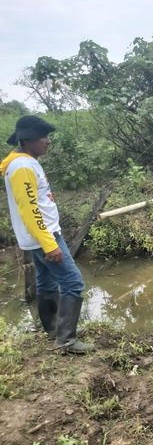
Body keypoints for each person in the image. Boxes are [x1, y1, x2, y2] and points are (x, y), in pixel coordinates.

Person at [0, 115, 93, 354]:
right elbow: (29, 210)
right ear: (28, 140)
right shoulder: (22, 167)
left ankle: (52, 329)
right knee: (73, 282)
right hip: (43, 237)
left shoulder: (24, 162)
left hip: (38, 237)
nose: (48, 141)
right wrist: (49, 244)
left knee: (46, 282)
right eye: (43, 137)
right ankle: (66, 340)